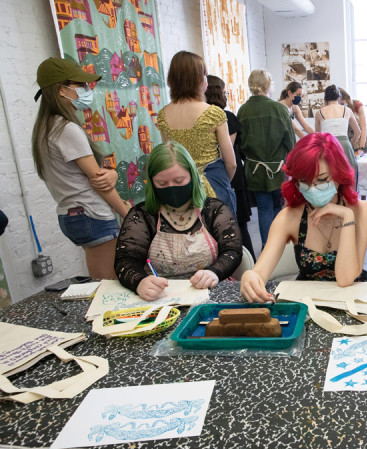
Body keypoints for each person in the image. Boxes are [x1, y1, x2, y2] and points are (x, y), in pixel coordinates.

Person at [240, 133, 367, 303]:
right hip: (308, 302)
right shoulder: (289, 217)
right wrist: (250, 276)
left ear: (339, 175)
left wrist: (346, 215)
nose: (312, 189)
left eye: (322, 180)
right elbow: (260, 271)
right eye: (304, 181)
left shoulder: (362, 211)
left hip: (356, 300)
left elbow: (346, 279)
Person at [31, 57, 130, 279]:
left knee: (102, 280)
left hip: (72, 214)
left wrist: (112, 174)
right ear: (61, 90)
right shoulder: (66, 129)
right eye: (80, 85)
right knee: (109, 284)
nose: (86, 90)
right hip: (91, 212)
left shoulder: (45, 129)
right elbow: (99, 181)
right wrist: (127, 213)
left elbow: (98, 176)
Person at [114, 141, 242, 301]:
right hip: (159, 299)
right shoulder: (142, 216)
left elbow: (233, 251)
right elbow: (125, 260)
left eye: (179, 181)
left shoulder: (214, 210)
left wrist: (214, 272)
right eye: (162, 183)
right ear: (152, 184)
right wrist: (139, 282)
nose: (171, 188)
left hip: (209, 294)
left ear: (192, 177)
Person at [157, 51, 237, 215]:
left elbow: (167, 156)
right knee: (221, 236)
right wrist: (221, 183)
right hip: (214, 187)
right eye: (205, 75)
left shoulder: (163, 115)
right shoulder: (213, 113)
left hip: (180, 190)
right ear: (198, 80)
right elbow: (231, 163)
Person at [237, 69, 296, 248]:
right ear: (268, 85)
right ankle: (278, 247)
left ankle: (266, 247)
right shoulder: (279, 109)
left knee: (263, 208)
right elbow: (290, 142)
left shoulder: (243, 110)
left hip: (253, 170)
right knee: (278, 206)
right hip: (277, 169)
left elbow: (238, 146)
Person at [205, 74, 256, 261]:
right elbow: (228, 158)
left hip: (227, 177)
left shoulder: (225, 118)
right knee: (238, 227)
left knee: (237, 227)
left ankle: (249, 267)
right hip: (227, 178)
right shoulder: (224, 117)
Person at [315, 85, 361, 178]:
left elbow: (317, 136)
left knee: (330, 177)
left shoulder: (319, 113)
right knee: (348, 177)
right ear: (339, 97)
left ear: (325, 98)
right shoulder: (347, 110)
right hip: (344, 145)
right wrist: (352, 143)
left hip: (327, 146)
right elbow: (358, 132)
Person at [339, 88, 367, 154]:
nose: (341, 106)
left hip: (360, 139)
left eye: (342, 103)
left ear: (346, 99)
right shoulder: (338, 109)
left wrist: (361, 148)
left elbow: (363, 128)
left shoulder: (357, 105)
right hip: (347, 138)